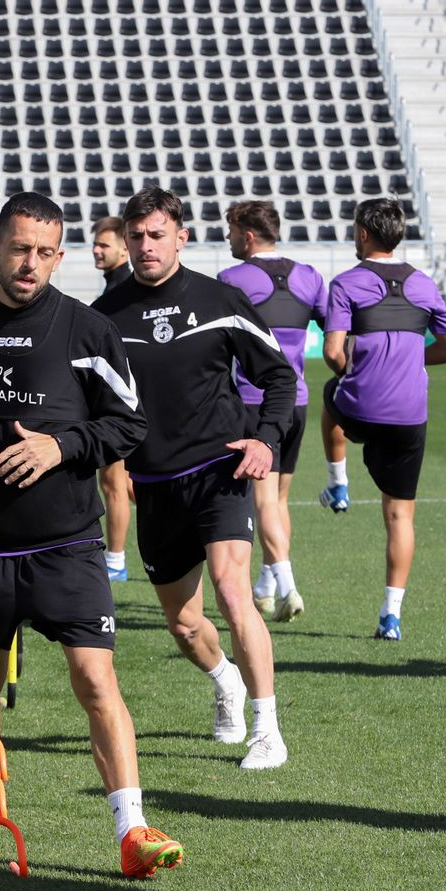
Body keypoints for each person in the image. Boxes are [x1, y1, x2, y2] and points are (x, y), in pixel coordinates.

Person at [0, 192, 183, 878]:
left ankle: (133, 830)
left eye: (43, 252)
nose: (29, 263)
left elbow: (129, 424)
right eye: (18, 249)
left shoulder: (88, 329)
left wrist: (59, 446)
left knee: (95, 677)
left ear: (59, 257)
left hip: (66, 543)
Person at [95, 185, 297, 770]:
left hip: (220, 470)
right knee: (184, 626)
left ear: (181, 237)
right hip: (155, 486)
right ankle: (225, 679)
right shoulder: (103, 317)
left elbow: (279, 378)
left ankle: (267, 729)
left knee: (234, 593)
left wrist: (265, 439)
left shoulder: (220, 299)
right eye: (136, 236)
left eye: (157, 235)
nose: (146, 246)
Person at [317, 198, 446, 640]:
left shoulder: (346, 283)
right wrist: (410, 358)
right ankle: (391, 616)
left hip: (361, 405)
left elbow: (331, 352)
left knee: (328, 398)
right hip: (409, 415)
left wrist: (356, 369)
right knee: (400, 514)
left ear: (363, 233)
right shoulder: (424, 284)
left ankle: (338, 483)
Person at [218, 200, 328, 623]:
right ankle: (265, 586)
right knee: (279, 499)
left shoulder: (233, 279)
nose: (228, 239)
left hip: (255, 401)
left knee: (261, 500)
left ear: (248, 236)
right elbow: (334, 329)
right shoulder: (309, 276)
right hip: (297, 401)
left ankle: (286, 585)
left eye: (232, 232)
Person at [91, 215, 133, 582]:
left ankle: (116, 561)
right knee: (131, 484)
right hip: (124, 402)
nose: (96, 250)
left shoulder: (121, 297)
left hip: (121, 405)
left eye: (104, 244)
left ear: (124, 248)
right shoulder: (112, 294)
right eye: (95, 243)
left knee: (113, 483)